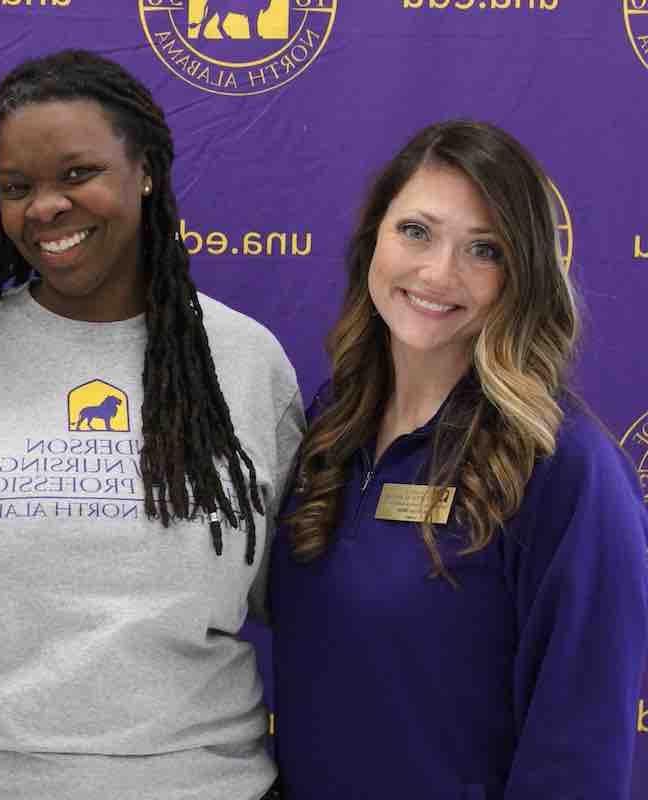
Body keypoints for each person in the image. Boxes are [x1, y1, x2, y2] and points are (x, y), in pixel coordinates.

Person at [0, 50, 303, 800]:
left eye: (76, 174)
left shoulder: (246, 363)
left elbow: (314, 612)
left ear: (143, 170)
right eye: (17, 187)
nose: (44, 207)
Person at [269, 120, 648, 799]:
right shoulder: (329, 434)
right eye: (415, 231)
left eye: (484, 249)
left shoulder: (563, 468)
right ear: (372, 242)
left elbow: (581, 749)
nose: (439, 273)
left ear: (522, 275)